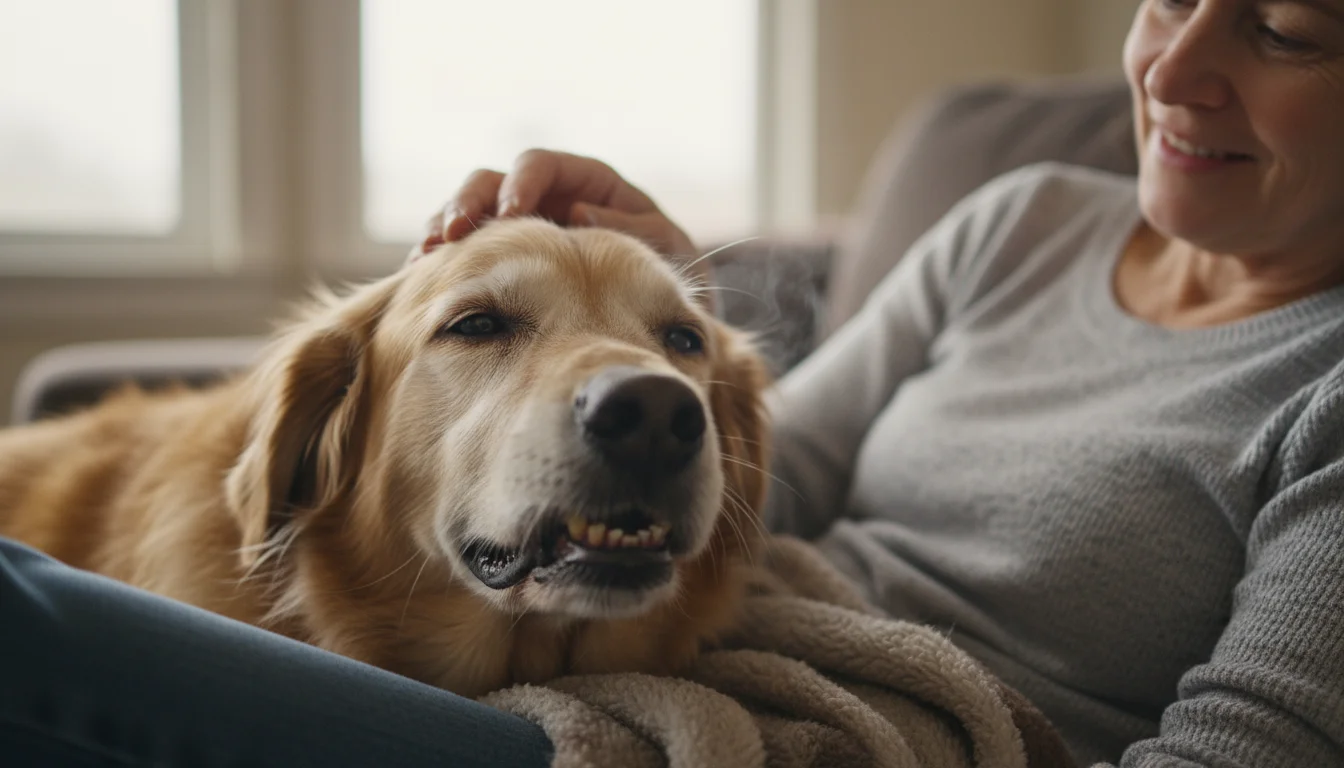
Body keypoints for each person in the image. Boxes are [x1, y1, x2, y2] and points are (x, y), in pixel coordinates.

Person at [422, 1, 1344, 765]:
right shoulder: (1025, 223)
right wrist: (672, 318)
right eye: (1172, 2)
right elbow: (774, 486)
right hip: (711, 665)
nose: (1170, 74)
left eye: (1284, 30)